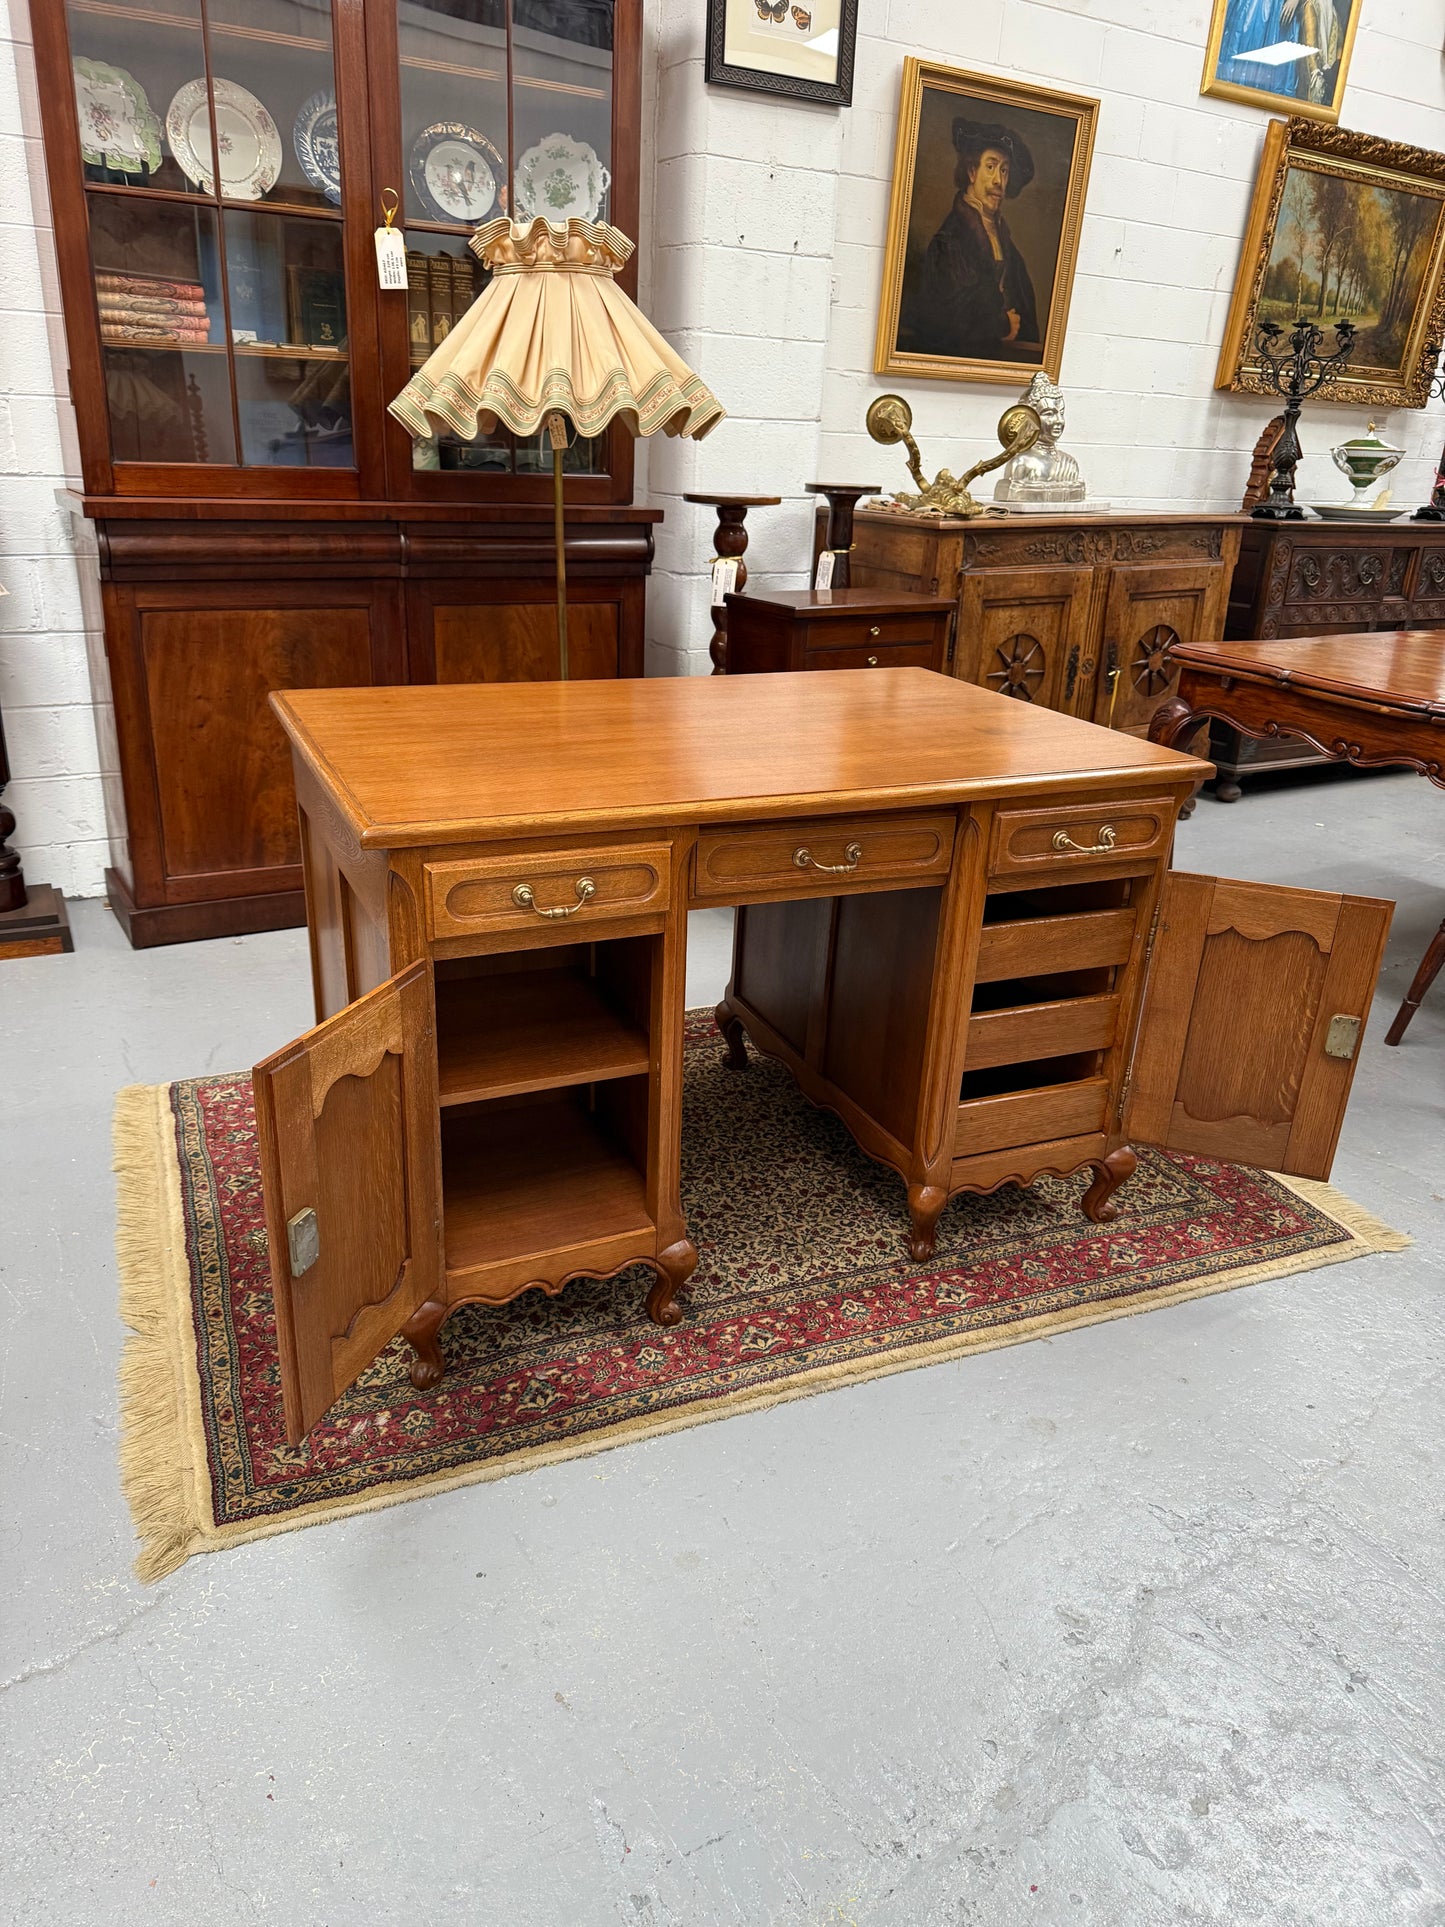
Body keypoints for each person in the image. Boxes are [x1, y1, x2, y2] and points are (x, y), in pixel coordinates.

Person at [902, 118, 1040, 363]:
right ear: (972, 172)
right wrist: (1000, 324)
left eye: (1004, 170)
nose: (999, 180)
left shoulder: (1008, 247)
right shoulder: (949, 242)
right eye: (991, 166)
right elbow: (944, 320)